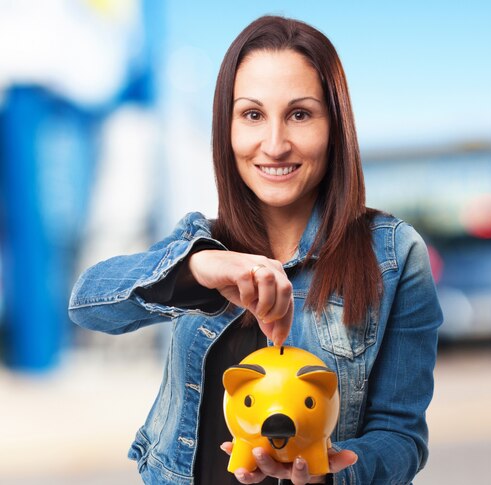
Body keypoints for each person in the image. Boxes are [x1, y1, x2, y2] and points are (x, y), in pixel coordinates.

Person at [68, 15, 443, 485]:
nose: (275, 144)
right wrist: (197, 267)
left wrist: (326, 474)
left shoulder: (393, 256)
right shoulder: (199, 243)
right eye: (252, 115)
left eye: (300, 114)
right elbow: (88, 303)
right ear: (226, 129)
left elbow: (400, 435)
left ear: (335, 126)